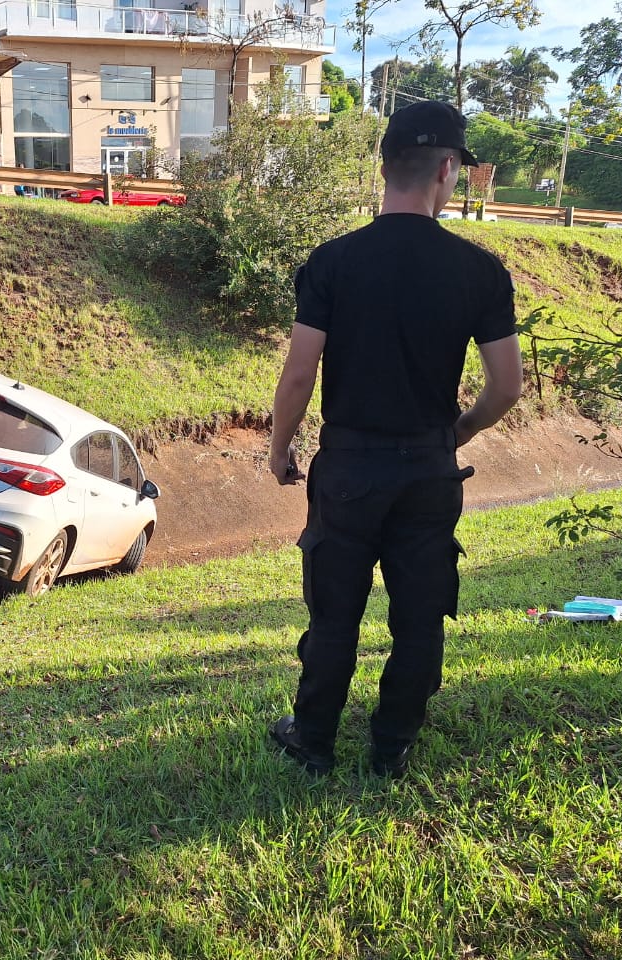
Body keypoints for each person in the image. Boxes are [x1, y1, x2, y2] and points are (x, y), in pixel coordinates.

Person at [267, 99, 524, 779]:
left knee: (333, 616)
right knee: (419, 617)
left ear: (385, 169)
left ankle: (313, 739)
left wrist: (279, 448)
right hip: (428, 469)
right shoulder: (480, 272)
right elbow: (506, 386)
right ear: (447, 168)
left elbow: (299, 375)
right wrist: (456, 434)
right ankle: (392, 746)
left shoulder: (332, 262)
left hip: (349, 467)